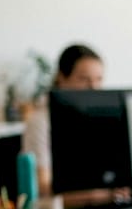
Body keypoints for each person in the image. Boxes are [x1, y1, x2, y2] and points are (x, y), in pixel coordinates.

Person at [21, 44, 105, 196]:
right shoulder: (41, 121)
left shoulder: (99, 118)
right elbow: (43, 189)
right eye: (84, 79)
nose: (94, 88)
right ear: (61, 78)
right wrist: (95, 197)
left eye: (99, 80)